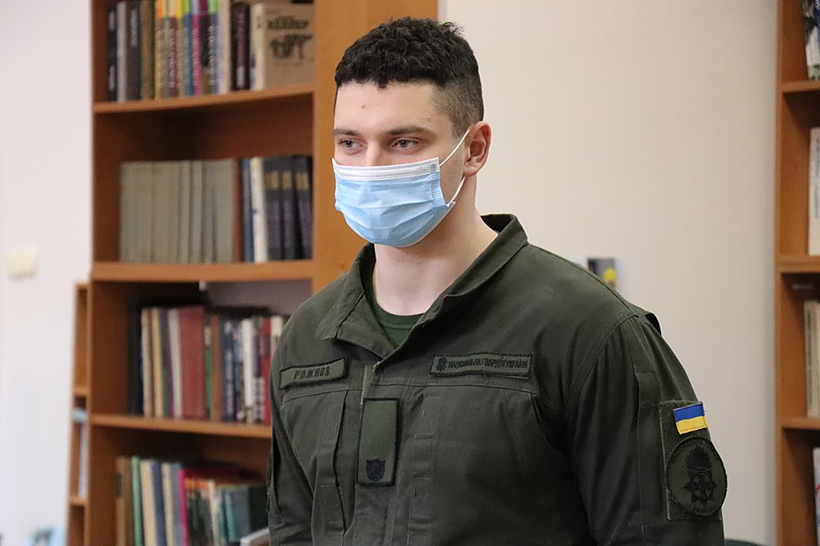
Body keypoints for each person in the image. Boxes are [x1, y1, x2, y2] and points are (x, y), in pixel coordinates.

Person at [266, 17, 726, 545]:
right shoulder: (307, 339)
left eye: (403, 142)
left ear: (475, 149)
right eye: (350, 142)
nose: (370, 168)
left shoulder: (592, 332)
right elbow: (293, 530)